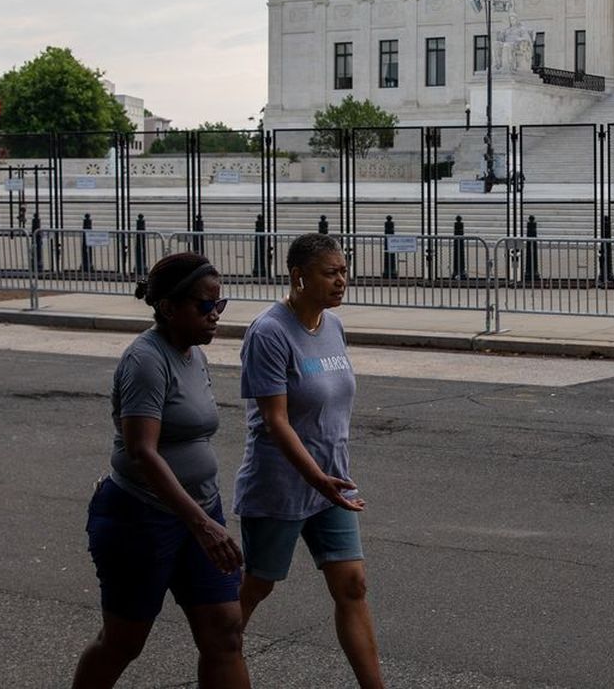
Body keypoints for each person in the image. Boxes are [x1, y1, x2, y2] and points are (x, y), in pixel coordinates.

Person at [72, 253, 248, 689]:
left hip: (199, 512)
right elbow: (142, 453)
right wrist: (203, 524)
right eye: (205, 306)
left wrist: (205, 518)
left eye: (220, 305)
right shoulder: (146, 360)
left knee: (224, 631)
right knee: (123, 641)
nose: (215, 316)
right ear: (169, 307)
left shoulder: (193, 355)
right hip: (142, 518)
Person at [235, 234, 384, 689]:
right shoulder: (269, 332)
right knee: (258, 585)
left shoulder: (333, 327)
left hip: (331, 485)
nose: (342, 281)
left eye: (344, 270)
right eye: (330, 272)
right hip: (281, 485)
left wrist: (326, 480)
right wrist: (315, 477)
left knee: (353, 585)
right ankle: (218, 655)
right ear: (299, 277)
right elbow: (275, 420)